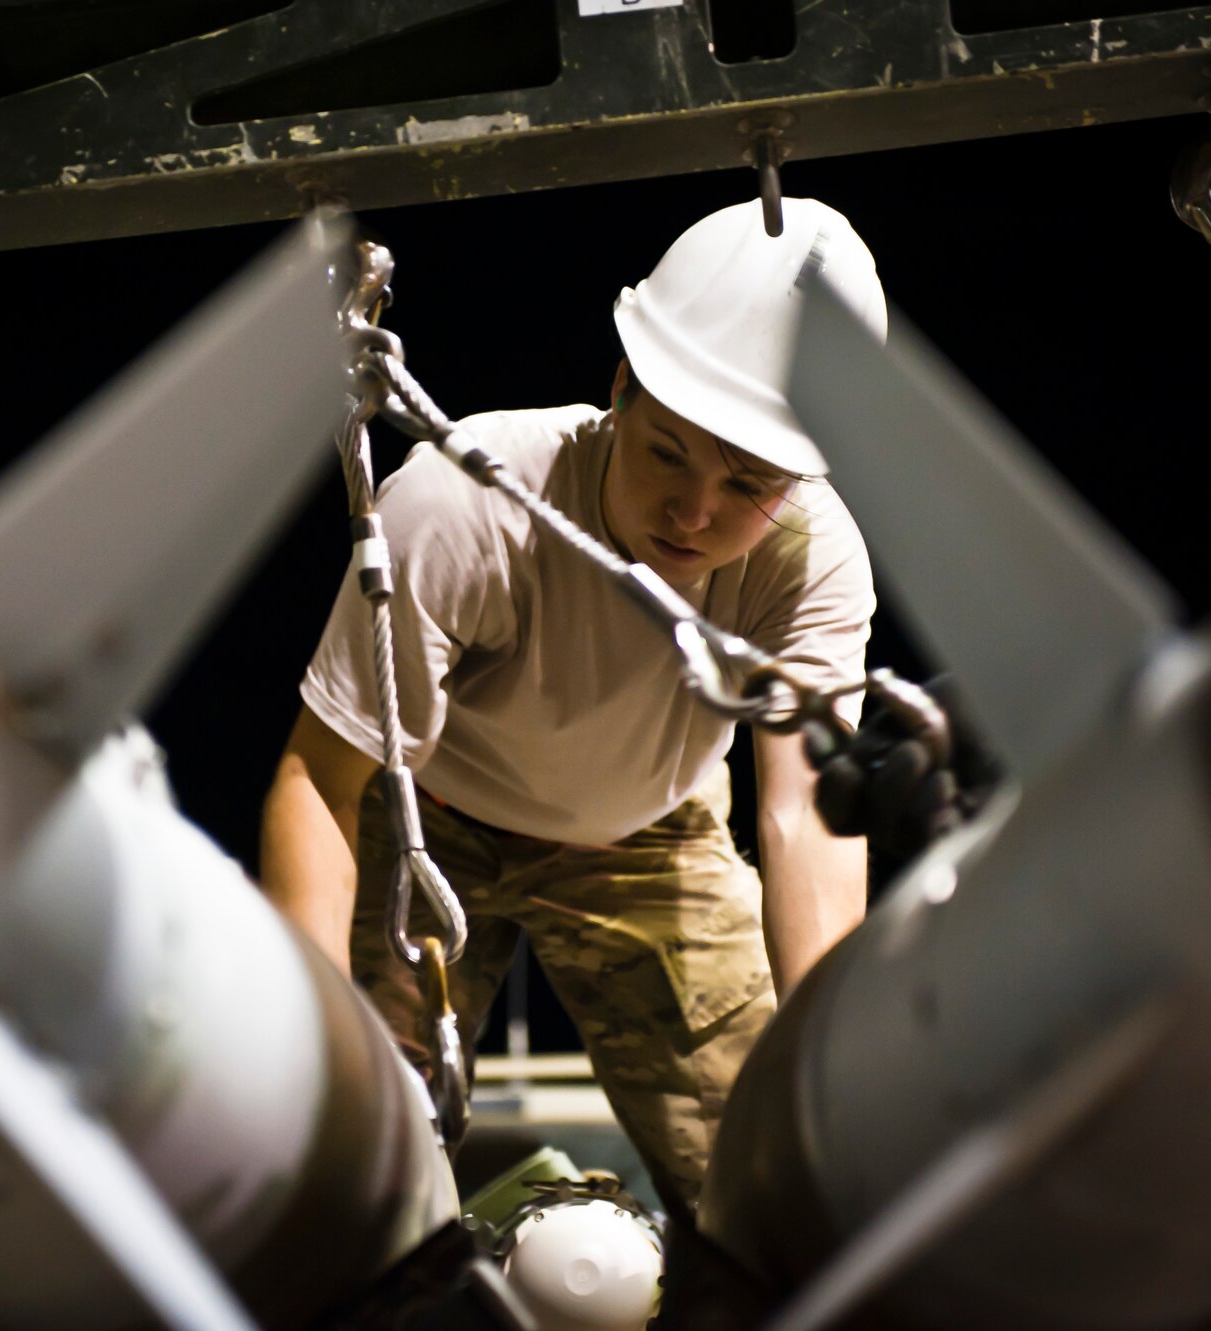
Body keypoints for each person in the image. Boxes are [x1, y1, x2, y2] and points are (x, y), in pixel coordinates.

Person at [260, 197, 885, 1217]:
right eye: (667, 452)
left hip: (651, 839)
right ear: (617, 392)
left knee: (786, 1186)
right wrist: (312, 1053)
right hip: (432, 830)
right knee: (340, 1184)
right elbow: (318, 782)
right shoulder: (468, 502)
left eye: (746, 483)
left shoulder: (810, 559)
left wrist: (826, 1060)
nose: (692, 512)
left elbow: (805, 813)